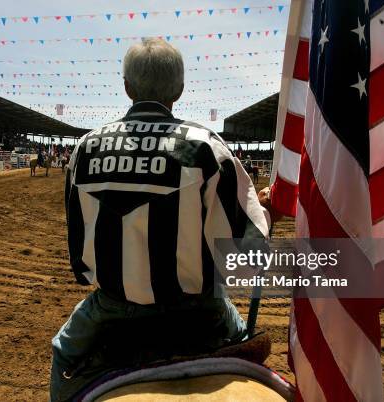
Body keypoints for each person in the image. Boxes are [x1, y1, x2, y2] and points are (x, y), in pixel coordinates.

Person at [50, 38, 279, 401]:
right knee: (255, 351)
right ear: (179, 89)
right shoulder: (207, 147)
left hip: (113, 309)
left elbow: (80, 258)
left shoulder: (85, 149)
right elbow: (248, 258)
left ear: (127, 87)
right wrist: (269, 214)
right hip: (201, 311)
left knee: (62, 353)